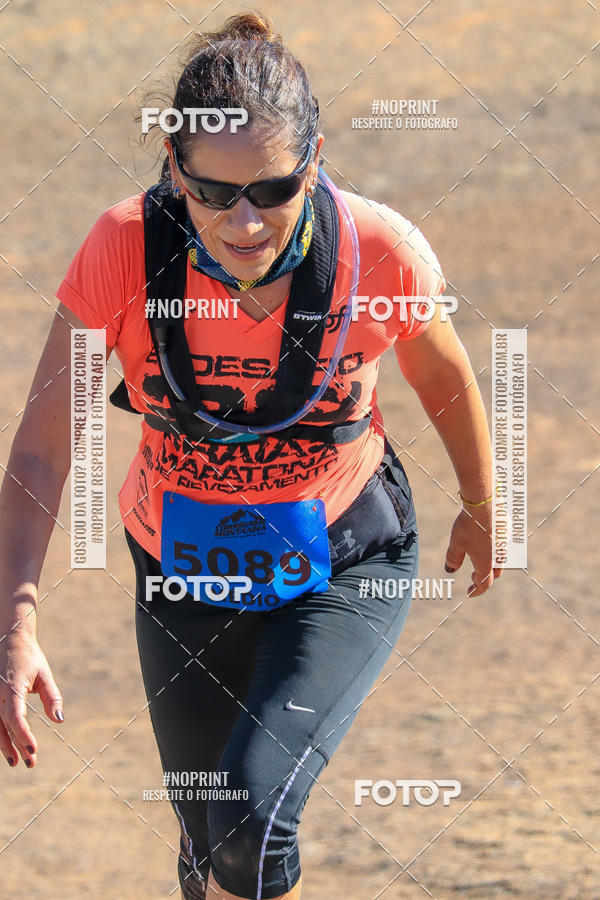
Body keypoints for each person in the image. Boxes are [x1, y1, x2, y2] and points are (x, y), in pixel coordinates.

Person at [0, 11, 502, 900]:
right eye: (212, 192)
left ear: (312, 163)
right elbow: (42, 452)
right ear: (172, 170)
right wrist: (15, 621)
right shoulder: (124, 251)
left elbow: (445, 376)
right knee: (209, 848)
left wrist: (483, 503)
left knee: (250, 814)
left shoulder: (376, 252)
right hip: (185, 566)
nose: (242, 222)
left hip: (344, 556)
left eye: (272, 191)